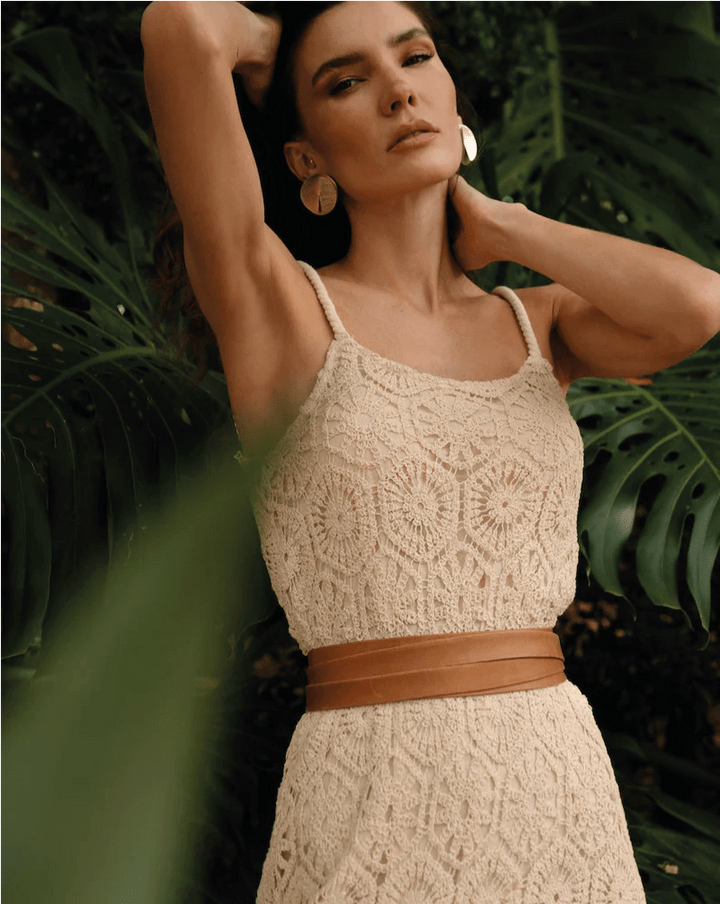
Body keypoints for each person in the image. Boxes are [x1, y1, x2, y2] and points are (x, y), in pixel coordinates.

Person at [142, 1, 720, 900]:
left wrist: (507, 229)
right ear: (305, 159)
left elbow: (699, 306)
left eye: (414, 58)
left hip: (554, 785)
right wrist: (272, 44)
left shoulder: (540, 325)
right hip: (372, 786)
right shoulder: (282, 310)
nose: (397, 90)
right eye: (346, 81)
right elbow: (180, 23)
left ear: (453, 97)